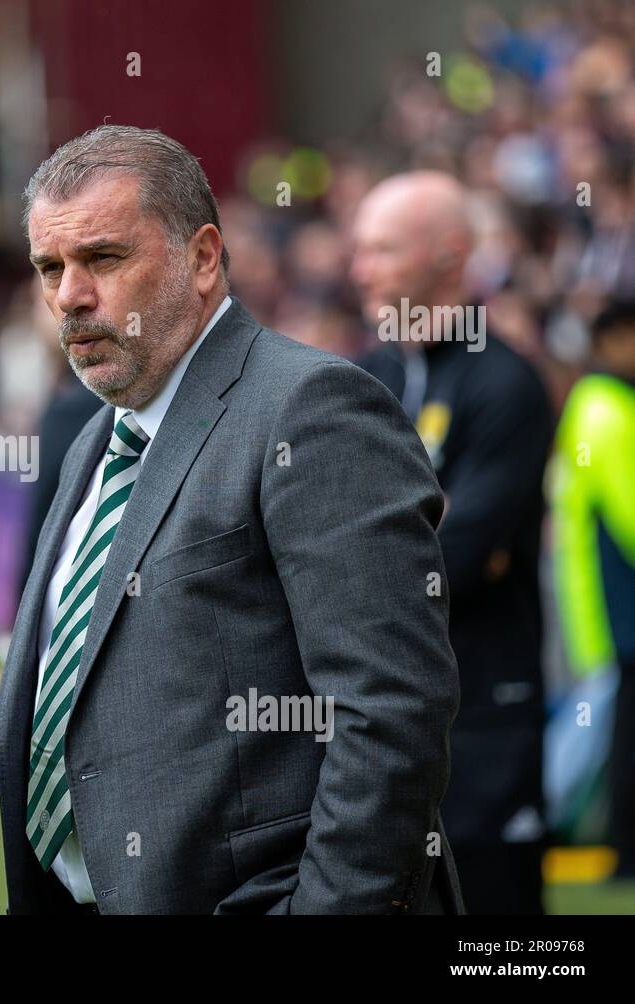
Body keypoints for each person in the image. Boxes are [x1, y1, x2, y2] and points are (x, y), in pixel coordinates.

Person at [0, 126, 463, 915]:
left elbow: (389, 711)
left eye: (104, 258)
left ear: (203, 259)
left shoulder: (311, 408)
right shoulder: (94, 442)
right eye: (51, 267)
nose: (70, 294)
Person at [352, 172, 553, 914]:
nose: (360, 267)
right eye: (359, 248)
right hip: (385, 715)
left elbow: (452, 560)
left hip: (486, 713)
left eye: (383, 249)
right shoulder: (365, 377)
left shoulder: (505, 384)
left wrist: (357, 558)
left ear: (450, 255)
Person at [551, 298, 635, 876]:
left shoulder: (601, 401)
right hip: (617, 608)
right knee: (620, 733)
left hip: (609, 607)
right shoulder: (604, 406)